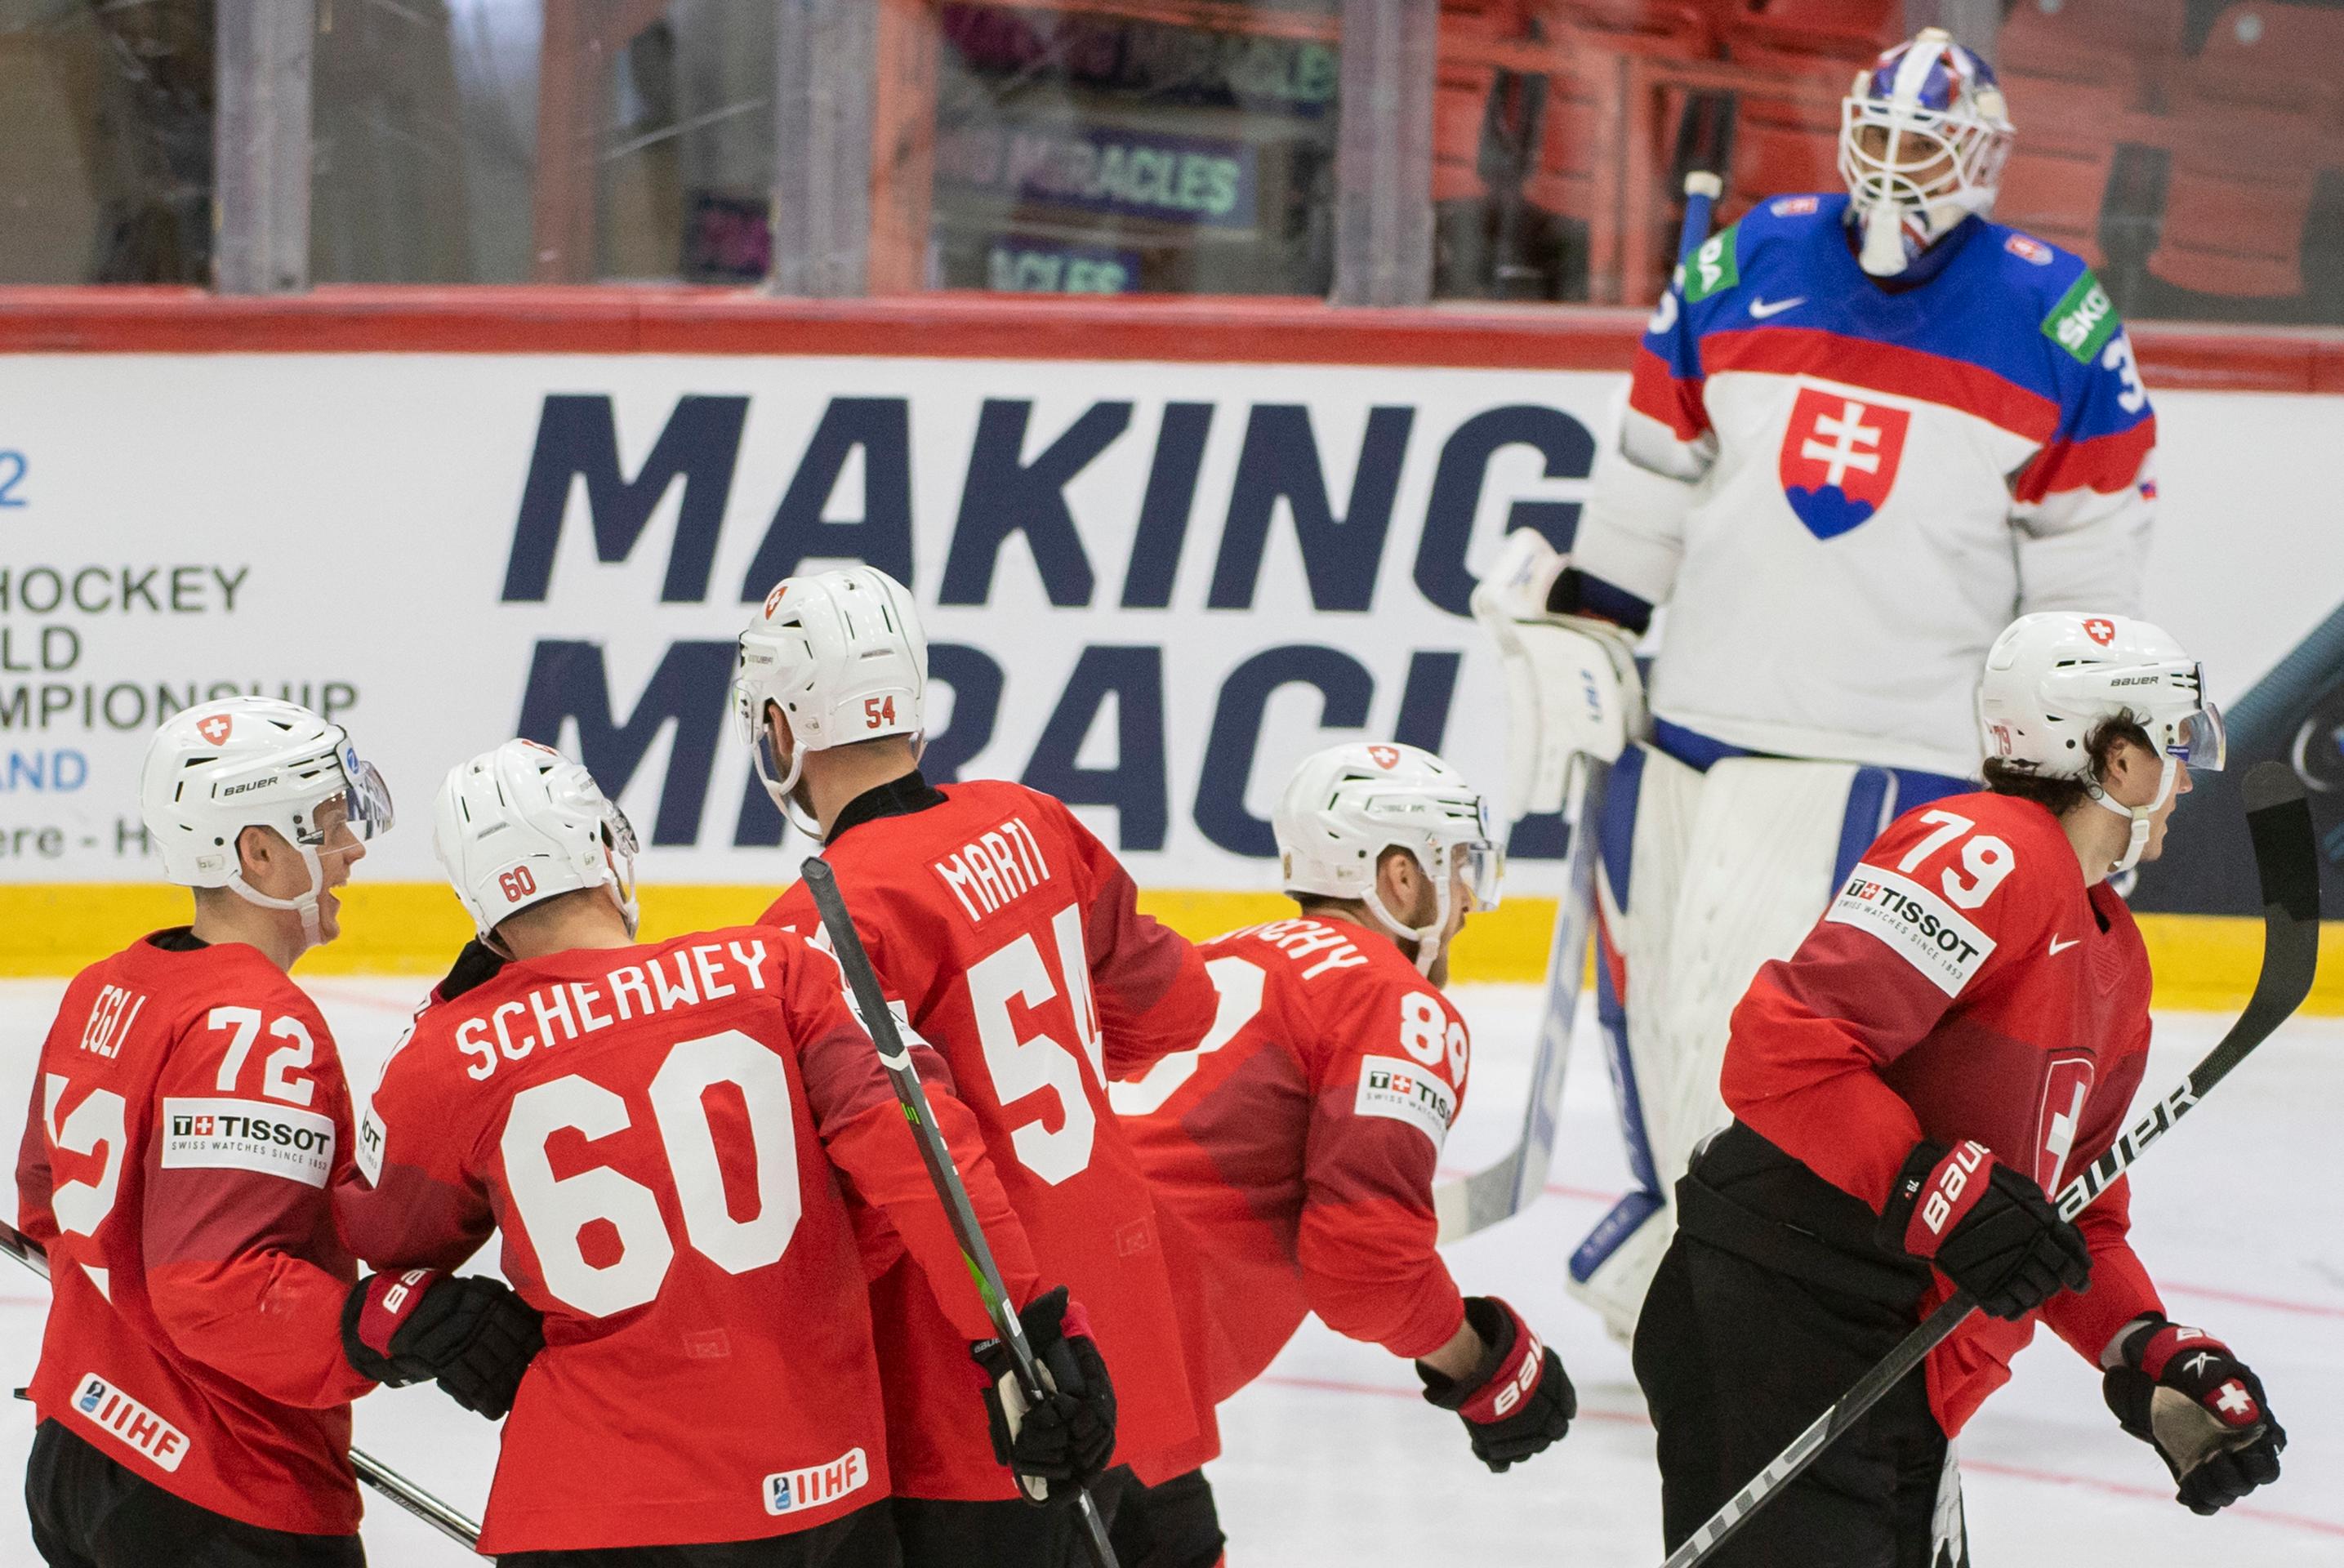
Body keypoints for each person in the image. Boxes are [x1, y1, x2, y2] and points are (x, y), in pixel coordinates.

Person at [1479, 24, 2161, 1338]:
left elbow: (2088, 577)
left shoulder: (2058, 313)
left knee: (1812, 1047)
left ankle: (1798, 1286)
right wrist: (1588, 619)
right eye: (1883, 132)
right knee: (1678, 1019)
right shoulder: (1741, 259)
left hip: (1901, 758)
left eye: (1928, 141)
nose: (1898, 164)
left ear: (1987, 156)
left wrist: (2073, 769)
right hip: (1690, 732)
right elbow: (1649, 472)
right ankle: (1681, 1249)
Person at [334, 739, 1112, 1565]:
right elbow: (921, 1153)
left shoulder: (452, 1051)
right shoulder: (778, 968)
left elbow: (385, 1239)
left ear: (479, 914)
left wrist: (448, 1007)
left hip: (586, 1509)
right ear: (605, 848)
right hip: (818, 1492)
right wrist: (1024, 1328)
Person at [1633, 612, 2285, 1566]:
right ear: (2111, 760)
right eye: (2169, 745)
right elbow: (1783, 1053)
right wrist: (1930, 1187)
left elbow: (2070, 1215)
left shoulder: (2114, 955)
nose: (2184, 776)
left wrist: (2145, 1350)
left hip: (1903, 1365)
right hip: (1781, 1322)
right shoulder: (1984, 849)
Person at [742, 565, 1220, 1568]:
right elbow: (1179, 1004)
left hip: (991, 1387)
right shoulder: (1031, 818)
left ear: (780, 727)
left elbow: (913, 1160)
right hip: (1132, 1337)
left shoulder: (820, 922)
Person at [11, 696, 506, 1566]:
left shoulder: (108, 985)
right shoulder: (257, 1024)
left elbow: (48, 1203)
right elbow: (219, 1287)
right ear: (258, 854)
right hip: (215, 1479)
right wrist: (380, 1321)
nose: (351, 849)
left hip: (80, 1447)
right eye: (325, 828)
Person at [1107, 742, 1578, 1566]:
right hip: (1114, 1364)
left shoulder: (1225, 952)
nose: (1469, 900)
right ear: (1398, 877)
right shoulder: (1393, 1002)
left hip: (1069, 1328)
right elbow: (1364, 1269)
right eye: (1454, 866)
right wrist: (1481, 1363)